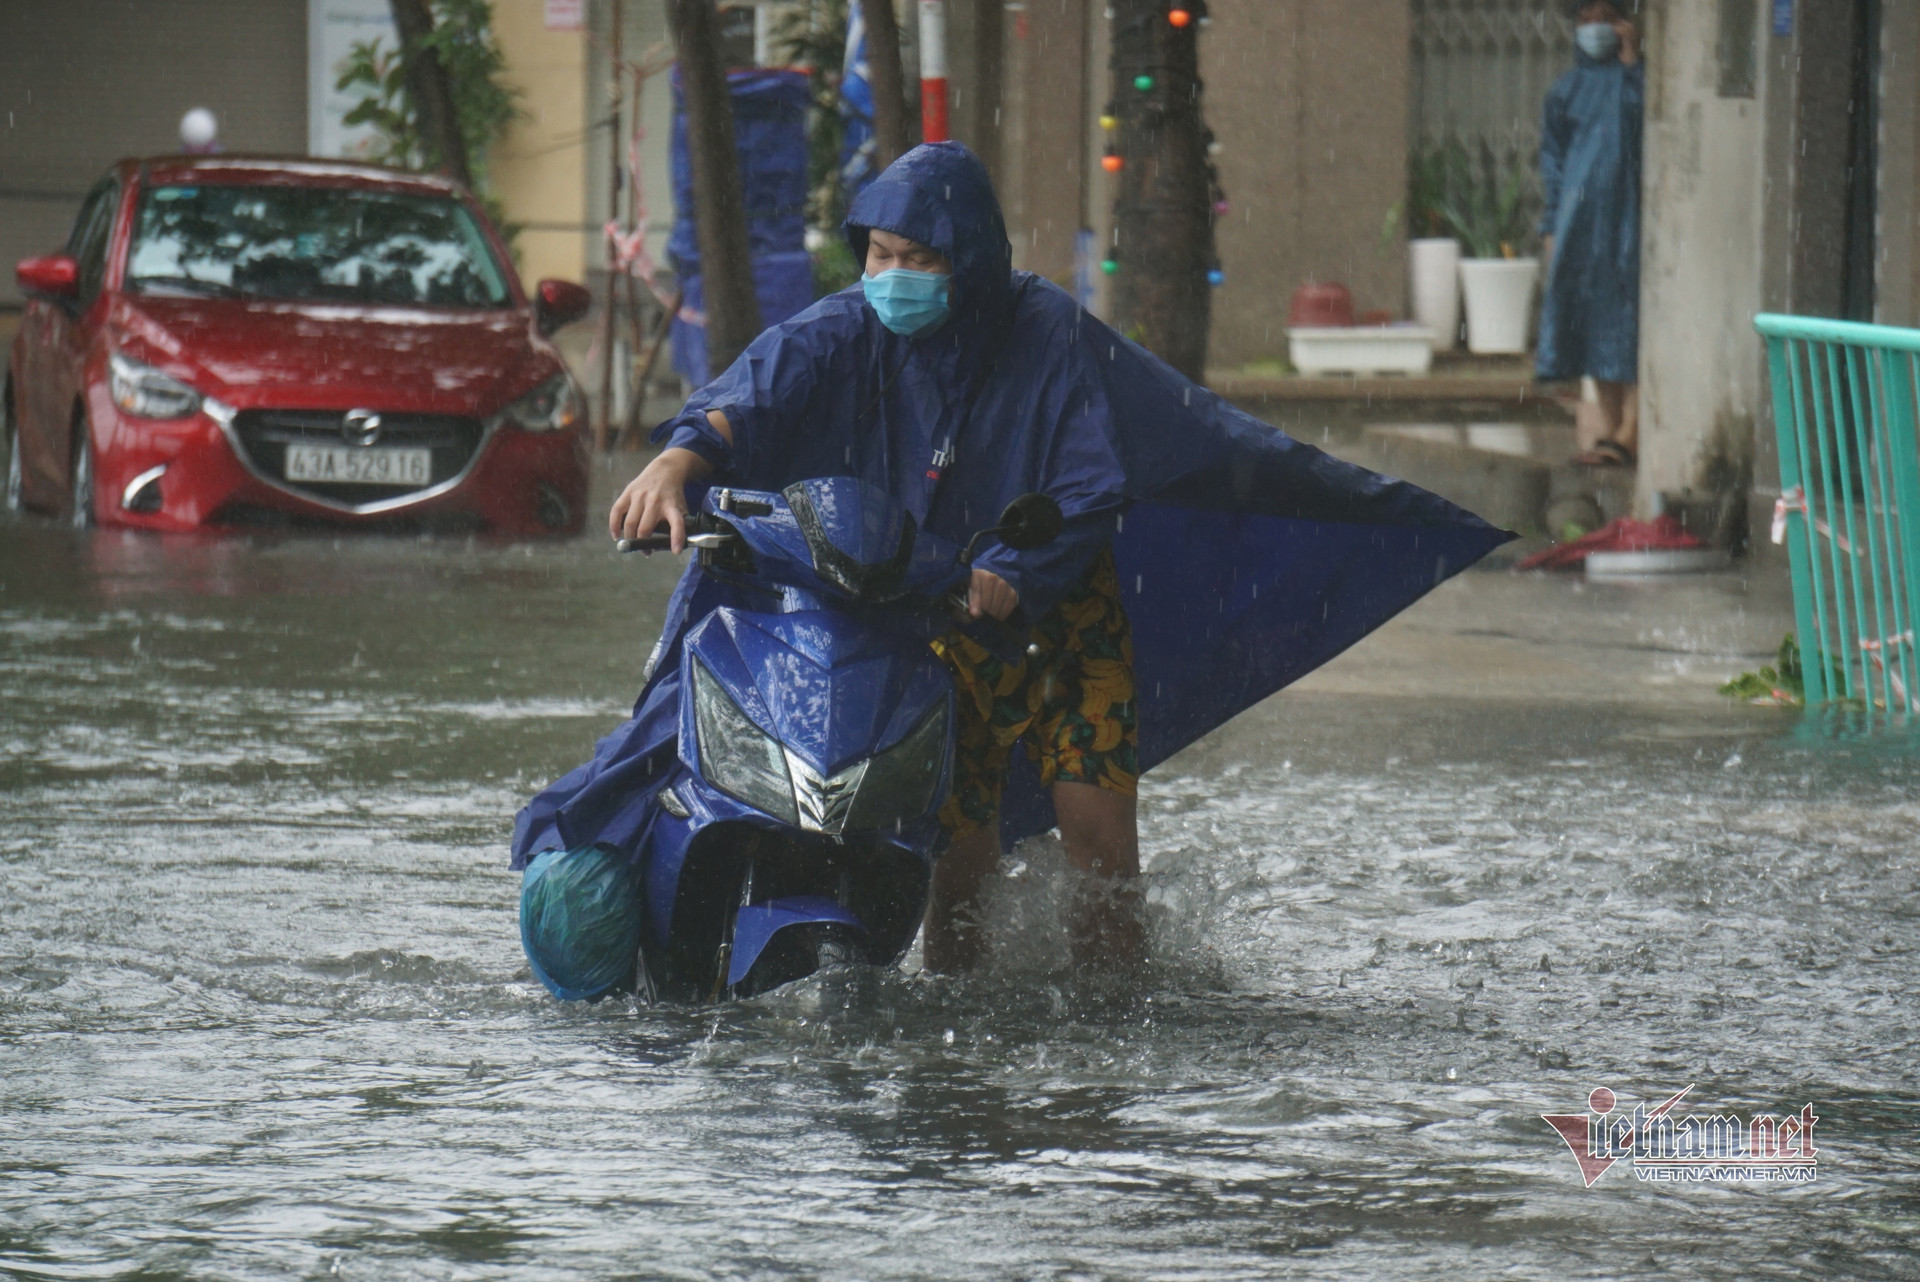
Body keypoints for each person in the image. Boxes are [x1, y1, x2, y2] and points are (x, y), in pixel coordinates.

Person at [512, 142, 1511, 991]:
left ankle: (1117, 1014)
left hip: (1059, 623)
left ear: (969, 259)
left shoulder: (1046, 336)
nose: (888, 272)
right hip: (932, 626)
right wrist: (678, 460)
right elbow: (760, 388)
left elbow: (1087, 484)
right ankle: (962, 1024)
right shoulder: (853, 326)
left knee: (1100, 848)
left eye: (914, 256)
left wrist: (1014, 568)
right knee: (957, 864)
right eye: (877, 251)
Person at [1536, 0, 1643, 468]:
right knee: (1592, 322)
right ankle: (1613, 430)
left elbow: (1644, 127)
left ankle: (1630, 432)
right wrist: (1552, 226)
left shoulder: (1635, 82)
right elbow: (1554, 165)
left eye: (1606, 18)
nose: (1595, 28)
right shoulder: (1566, 91)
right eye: (1587, 20)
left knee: (1630, 323)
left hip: (1629, 220)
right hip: (1580, 224)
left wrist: (1632, 62)